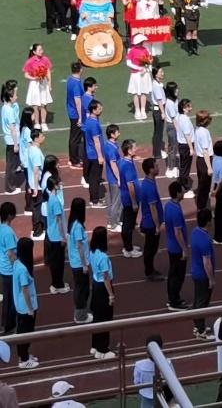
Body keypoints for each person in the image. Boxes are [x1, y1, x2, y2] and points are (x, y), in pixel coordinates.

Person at [88, 226, 116, 359]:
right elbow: (106, 278)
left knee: (97, 317)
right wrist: (111, 295)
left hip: (95, 286)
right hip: (103, 289)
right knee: (105, 318)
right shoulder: (103, 257)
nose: (108, 237)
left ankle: (95, 346)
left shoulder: (92, 252)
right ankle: (102, 350)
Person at [190, 208, 216, 340]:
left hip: (196, 271)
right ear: (208, 222)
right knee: (202, 303)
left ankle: (198, 325)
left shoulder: (195, 231)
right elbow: (207, 262)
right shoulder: (205, 240)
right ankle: (200, 330)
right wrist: (211, 279)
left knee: (197, 300)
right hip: (202, 275)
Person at [137, 157, 164, 282]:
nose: (158, 168)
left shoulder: (148, 183)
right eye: (156, 166)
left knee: (151, 248)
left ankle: (151, 269)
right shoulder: (150, 187)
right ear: (151, 170)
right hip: (150, 223)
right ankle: (149, 272)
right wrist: (157, 225)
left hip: (148, 221)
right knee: (150, 248)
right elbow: (153, 207)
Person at [13, 237, 38, 368]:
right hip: (25, 307)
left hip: (20, 305)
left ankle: (25, 355)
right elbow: (25, 289)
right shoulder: (23, 269)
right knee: (26, 332)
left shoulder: (17, 263)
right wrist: (30, 308)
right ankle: (24, 360)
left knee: (23, 331)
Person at [164, 181, 189, 311]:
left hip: (171, 245)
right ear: (178, 193)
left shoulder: (168, 205)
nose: (184, 192)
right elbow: (177, 232)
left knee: (173, 274)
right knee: (178, 276)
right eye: (182, 191)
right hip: (177, 248)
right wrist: (184, 249)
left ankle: (173, 298)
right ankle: (174, 302)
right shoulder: (176, 210)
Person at [67, 197, 92, 325]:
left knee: (82, 288)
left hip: (76, 262)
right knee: (82, 289)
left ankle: (81, 313)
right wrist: (84, 265)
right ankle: (80, 315)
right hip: (79, 264)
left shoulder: (73, 223)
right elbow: (79, 246)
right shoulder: (77, 227)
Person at [44, 176, 68, 294]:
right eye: (59, 183)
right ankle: (58, 284)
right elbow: (59, 220)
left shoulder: (50, 199)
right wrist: (63, 237)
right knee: (58, 262)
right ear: (55, 185)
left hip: (51, 234)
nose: (60, 184)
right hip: (57, 236)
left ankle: (56, 283)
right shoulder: (56, 201)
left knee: (54, 261)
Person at [81, 99, 106, 207]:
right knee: (95, 178)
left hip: (91, 153)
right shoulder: (94, 124)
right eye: (99, 108)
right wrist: (100, 156)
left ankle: (94, 198)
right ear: (94, 110)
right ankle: (95, 200)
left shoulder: (90, 120)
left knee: (93, 177)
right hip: (95, 155)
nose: (101, 110)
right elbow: (96, 141)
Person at [0, 203, 16, 335]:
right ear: (10, 215)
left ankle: (5, 324)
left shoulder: (1, 229)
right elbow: (11, 254)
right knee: (11, 298)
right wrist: (17, 268)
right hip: (9, 269)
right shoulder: (8, 233)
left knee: (7, 297)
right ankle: (8, 326)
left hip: (3, 267)